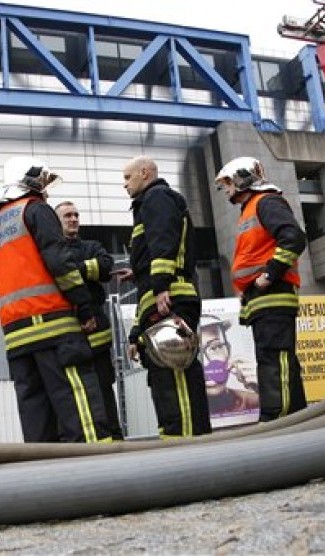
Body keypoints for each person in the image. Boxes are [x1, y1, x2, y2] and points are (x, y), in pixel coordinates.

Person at [0, 156, 113, 443]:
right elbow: (60, 263)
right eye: (43, 182)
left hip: (16, 336)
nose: (46, 190)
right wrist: (84, 307)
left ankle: (46, 477)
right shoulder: (36, 209)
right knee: (78, 405)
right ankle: (94, 471)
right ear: (29, 181)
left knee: (36, 413)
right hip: (54, 326)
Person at [118, 155, 211, 438]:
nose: (124, 185)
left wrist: (160, 285)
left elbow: (164, 242)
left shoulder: (157, 198)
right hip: (162, 299)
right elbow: (159, 253)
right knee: (164, 378)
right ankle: (177, 441)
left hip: (172, 299)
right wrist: (136, 331)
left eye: (127, 177)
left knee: (175, 375)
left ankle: (189, 447)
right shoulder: (151, 203)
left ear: (145, 173)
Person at [213, 156, 308, 421]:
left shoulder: (266, 202)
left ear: (242, 178)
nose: (227, 190)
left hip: (273, 295)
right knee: (273, 360)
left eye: (229, 183)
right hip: (262, 299)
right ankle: (288, 416)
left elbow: (294, 238)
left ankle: (281, 419)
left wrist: (270, 274)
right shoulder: (251, 209)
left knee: (275, 361)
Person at [55, 200, 124, 440]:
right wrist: (86, 269)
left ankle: (114, 439)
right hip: (70, 333)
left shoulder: (91, 245)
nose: (73, 219)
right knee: (77, 394)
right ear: (56, 222)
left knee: (104, 389)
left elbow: (105, 268)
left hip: (98, 334)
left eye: (75, 215)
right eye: (67, 216)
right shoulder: (53, 250)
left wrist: (71, 268)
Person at [200, 315, 259, 418]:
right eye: (194, 351)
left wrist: (267, 388)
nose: (206, 362)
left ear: (229, 350)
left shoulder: (254, 401)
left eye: (215, 347)